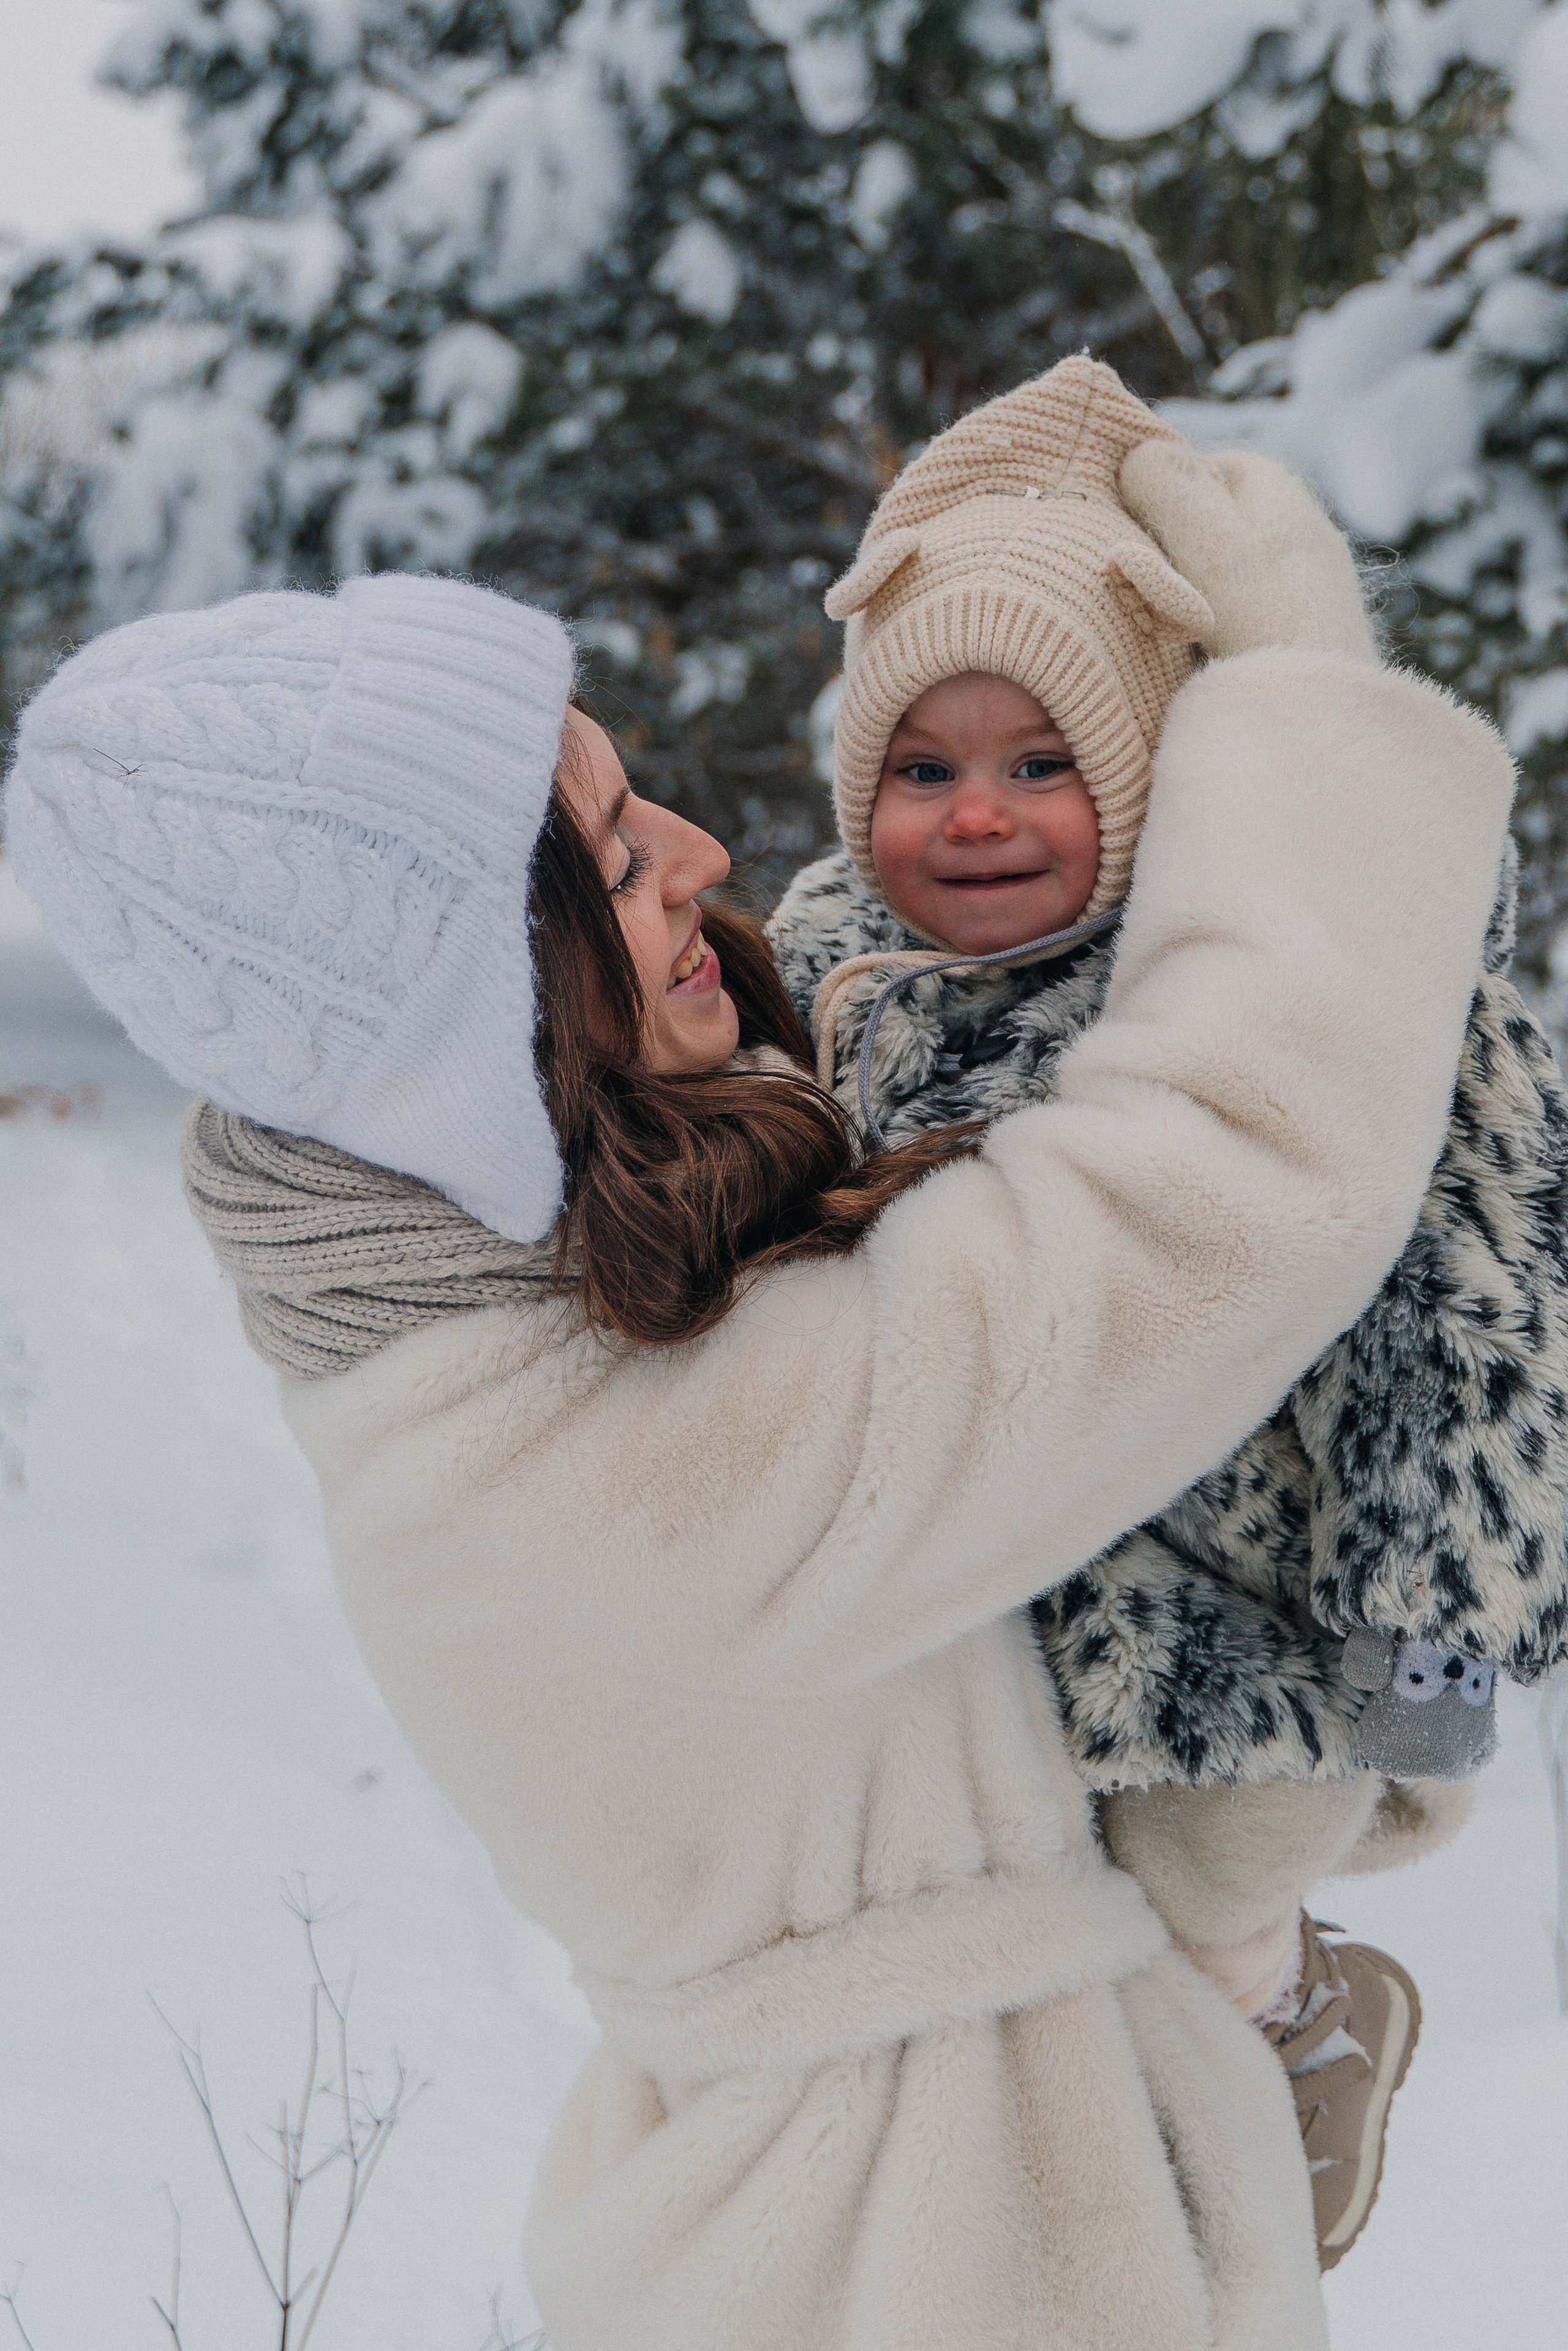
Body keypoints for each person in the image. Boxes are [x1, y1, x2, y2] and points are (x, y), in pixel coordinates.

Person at [4, 450, 1513, 2351]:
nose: (702, 858)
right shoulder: (631, 1471)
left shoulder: (496, 1304)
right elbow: (1220, 1190)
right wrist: (1295, 684)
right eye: (628, 864)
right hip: (923, 2271)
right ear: (489, 1016)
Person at [769, 357, 1568, 2263]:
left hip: (1249, 1581)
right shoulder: (826, 982)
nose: (975, 818)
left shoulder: (1254, 994)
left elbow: (1471, 1299)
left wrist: (1433, 1634)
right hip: (962, 1581)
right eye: (922, 769)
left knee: (1216, 1852)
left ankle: (1296, 2023)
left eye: (1041, 764)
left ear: (1136, 781)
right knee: (1023, 1976)